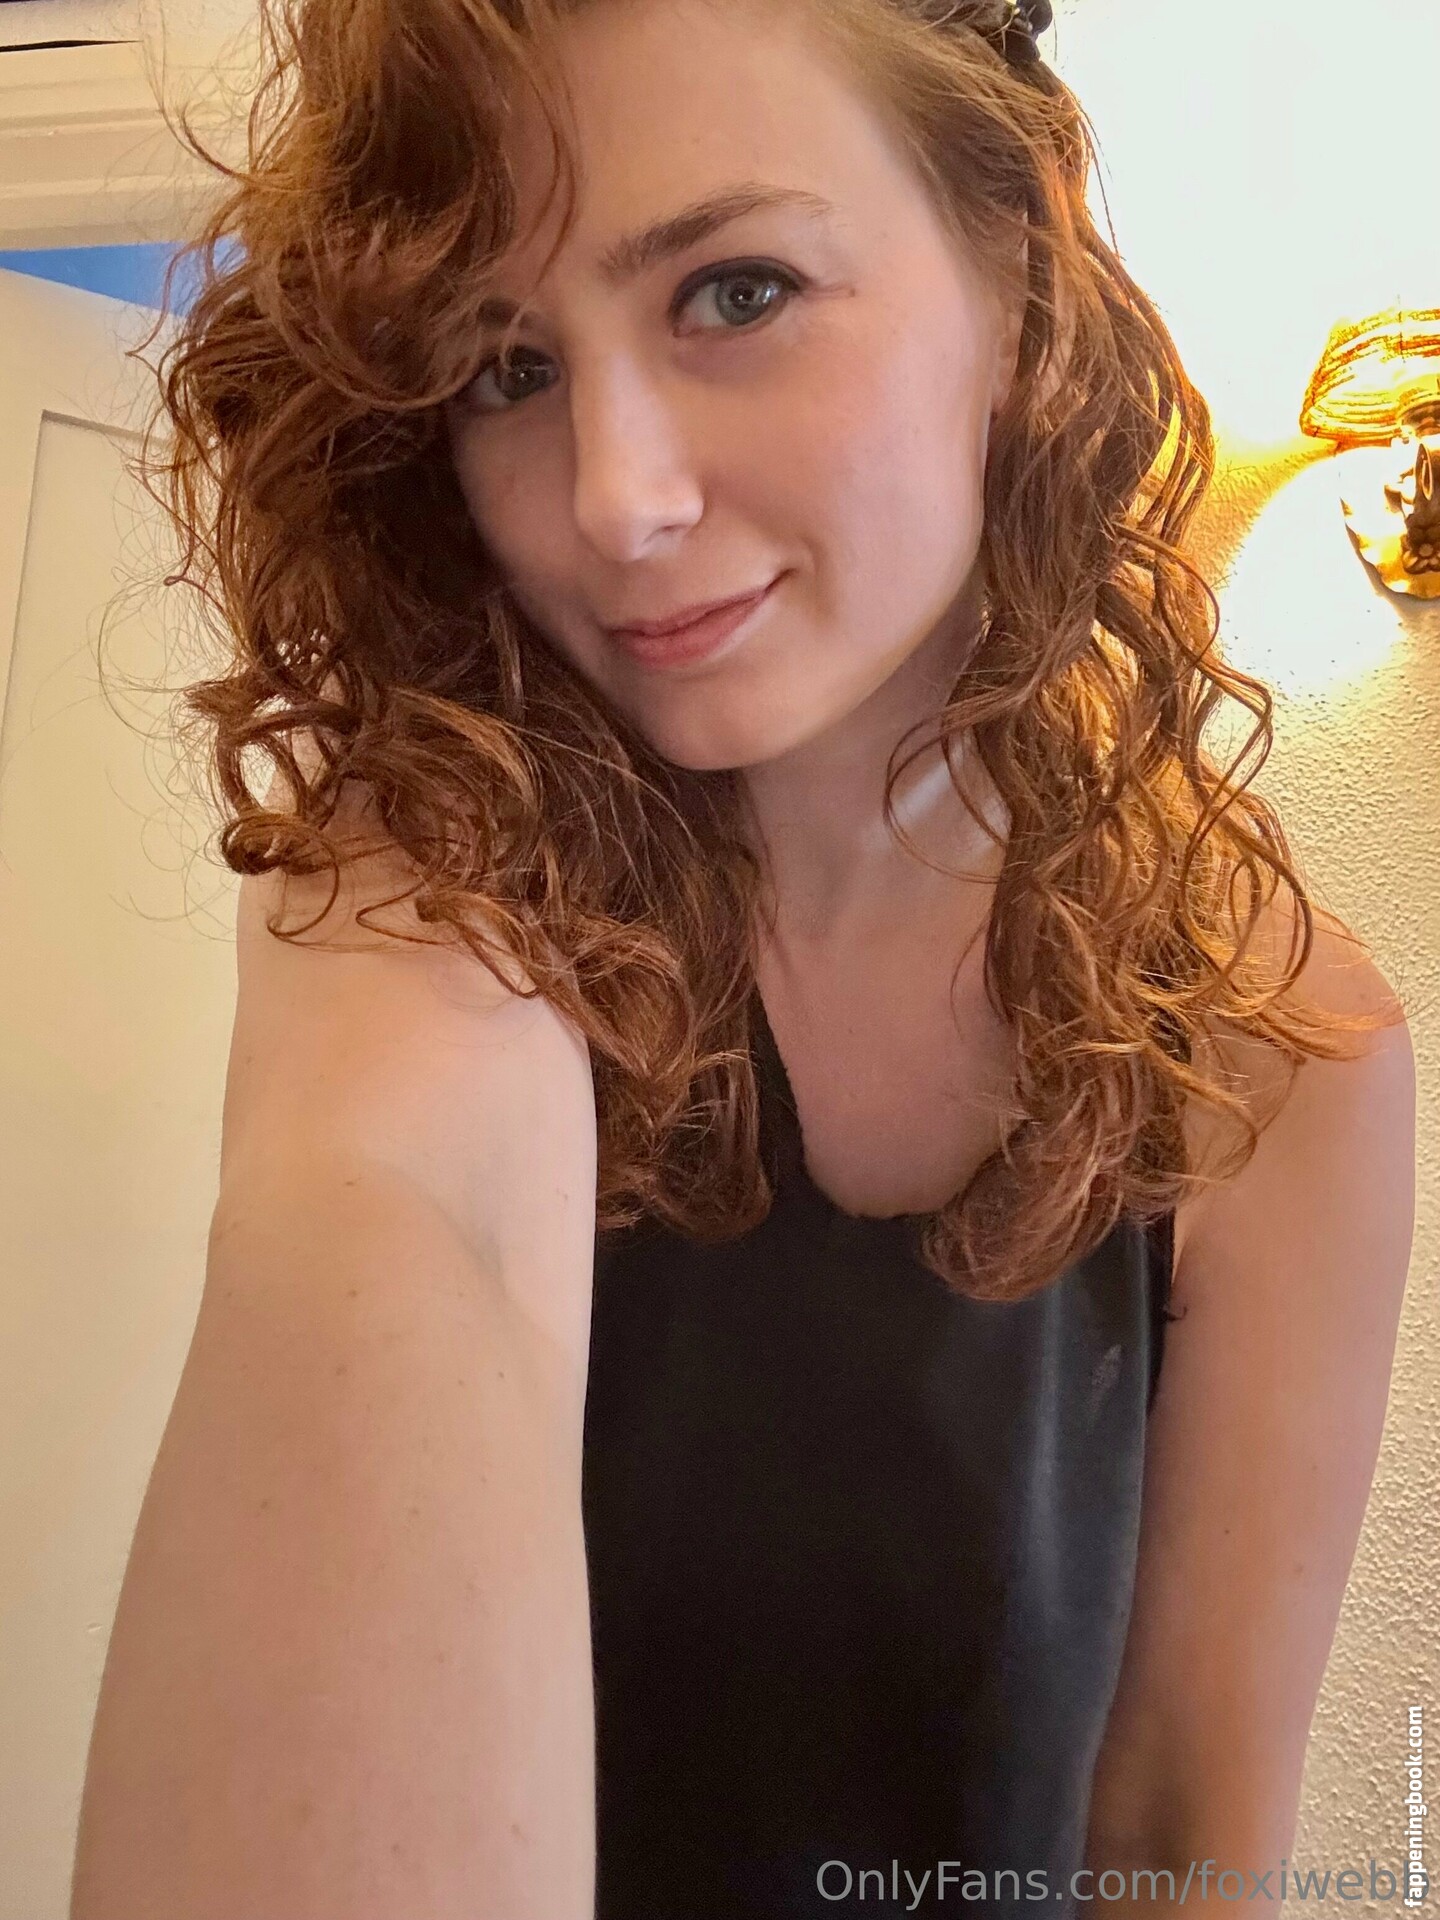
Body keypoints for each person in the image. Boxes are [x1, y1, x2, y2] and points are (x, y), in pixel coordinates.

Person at [72, 1, 1416, 1916]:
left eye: (737, 292)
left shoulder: (1280, 1047)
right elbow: (395, 1214)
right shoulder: (432, 889)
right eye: (509, 365)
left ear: (1017, 279)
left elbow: (1181, 1834)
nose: (612, 497)